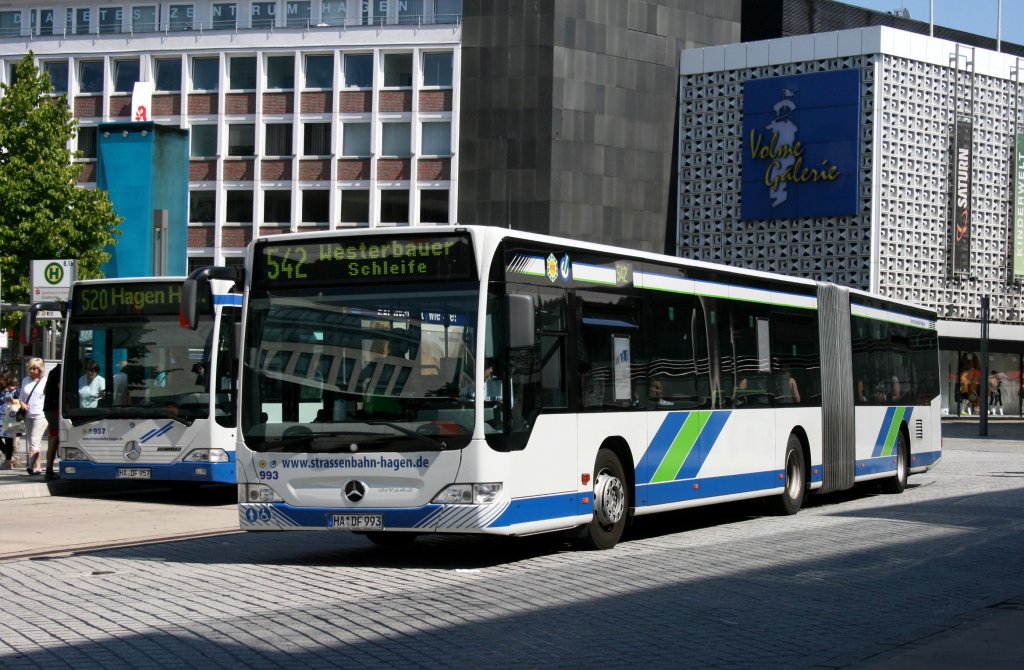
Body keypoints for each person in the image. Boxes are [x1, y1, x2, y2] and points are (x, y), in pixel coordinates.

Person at [15, 358, 47, 475]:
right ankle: (38, 467)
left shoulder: (45, 381)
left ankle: (31, 465)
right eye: (31, 368)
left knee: (34, 441)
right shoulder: (25, 380)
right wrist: (22, 403)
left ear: (41, 369)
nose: (33, 371)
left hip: (41, 414)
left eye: (36, 368)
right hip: (28, 414)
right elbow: (22, 397)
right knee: (33, 442)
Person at [42, 363, 61, 480]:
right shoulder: (60, 371)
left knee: (54, 435)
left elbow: (45, 391)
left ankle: (49, 469)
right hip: (55, 408)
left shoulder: (53, 371)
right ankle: (49, 469)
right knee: (60, 434)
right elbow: (62, 388)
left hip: (50, 408)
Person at [1, 373, 20, 470]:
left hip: (10, 417)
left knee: (9, 439)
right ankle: (8, 455)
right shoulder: (2, 391)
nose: (11, 388)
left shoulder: (17, 391)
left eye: (13, 386)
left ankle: (8, 461)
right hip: (1, 417)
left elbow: (22, 401)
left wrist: (14, 401)